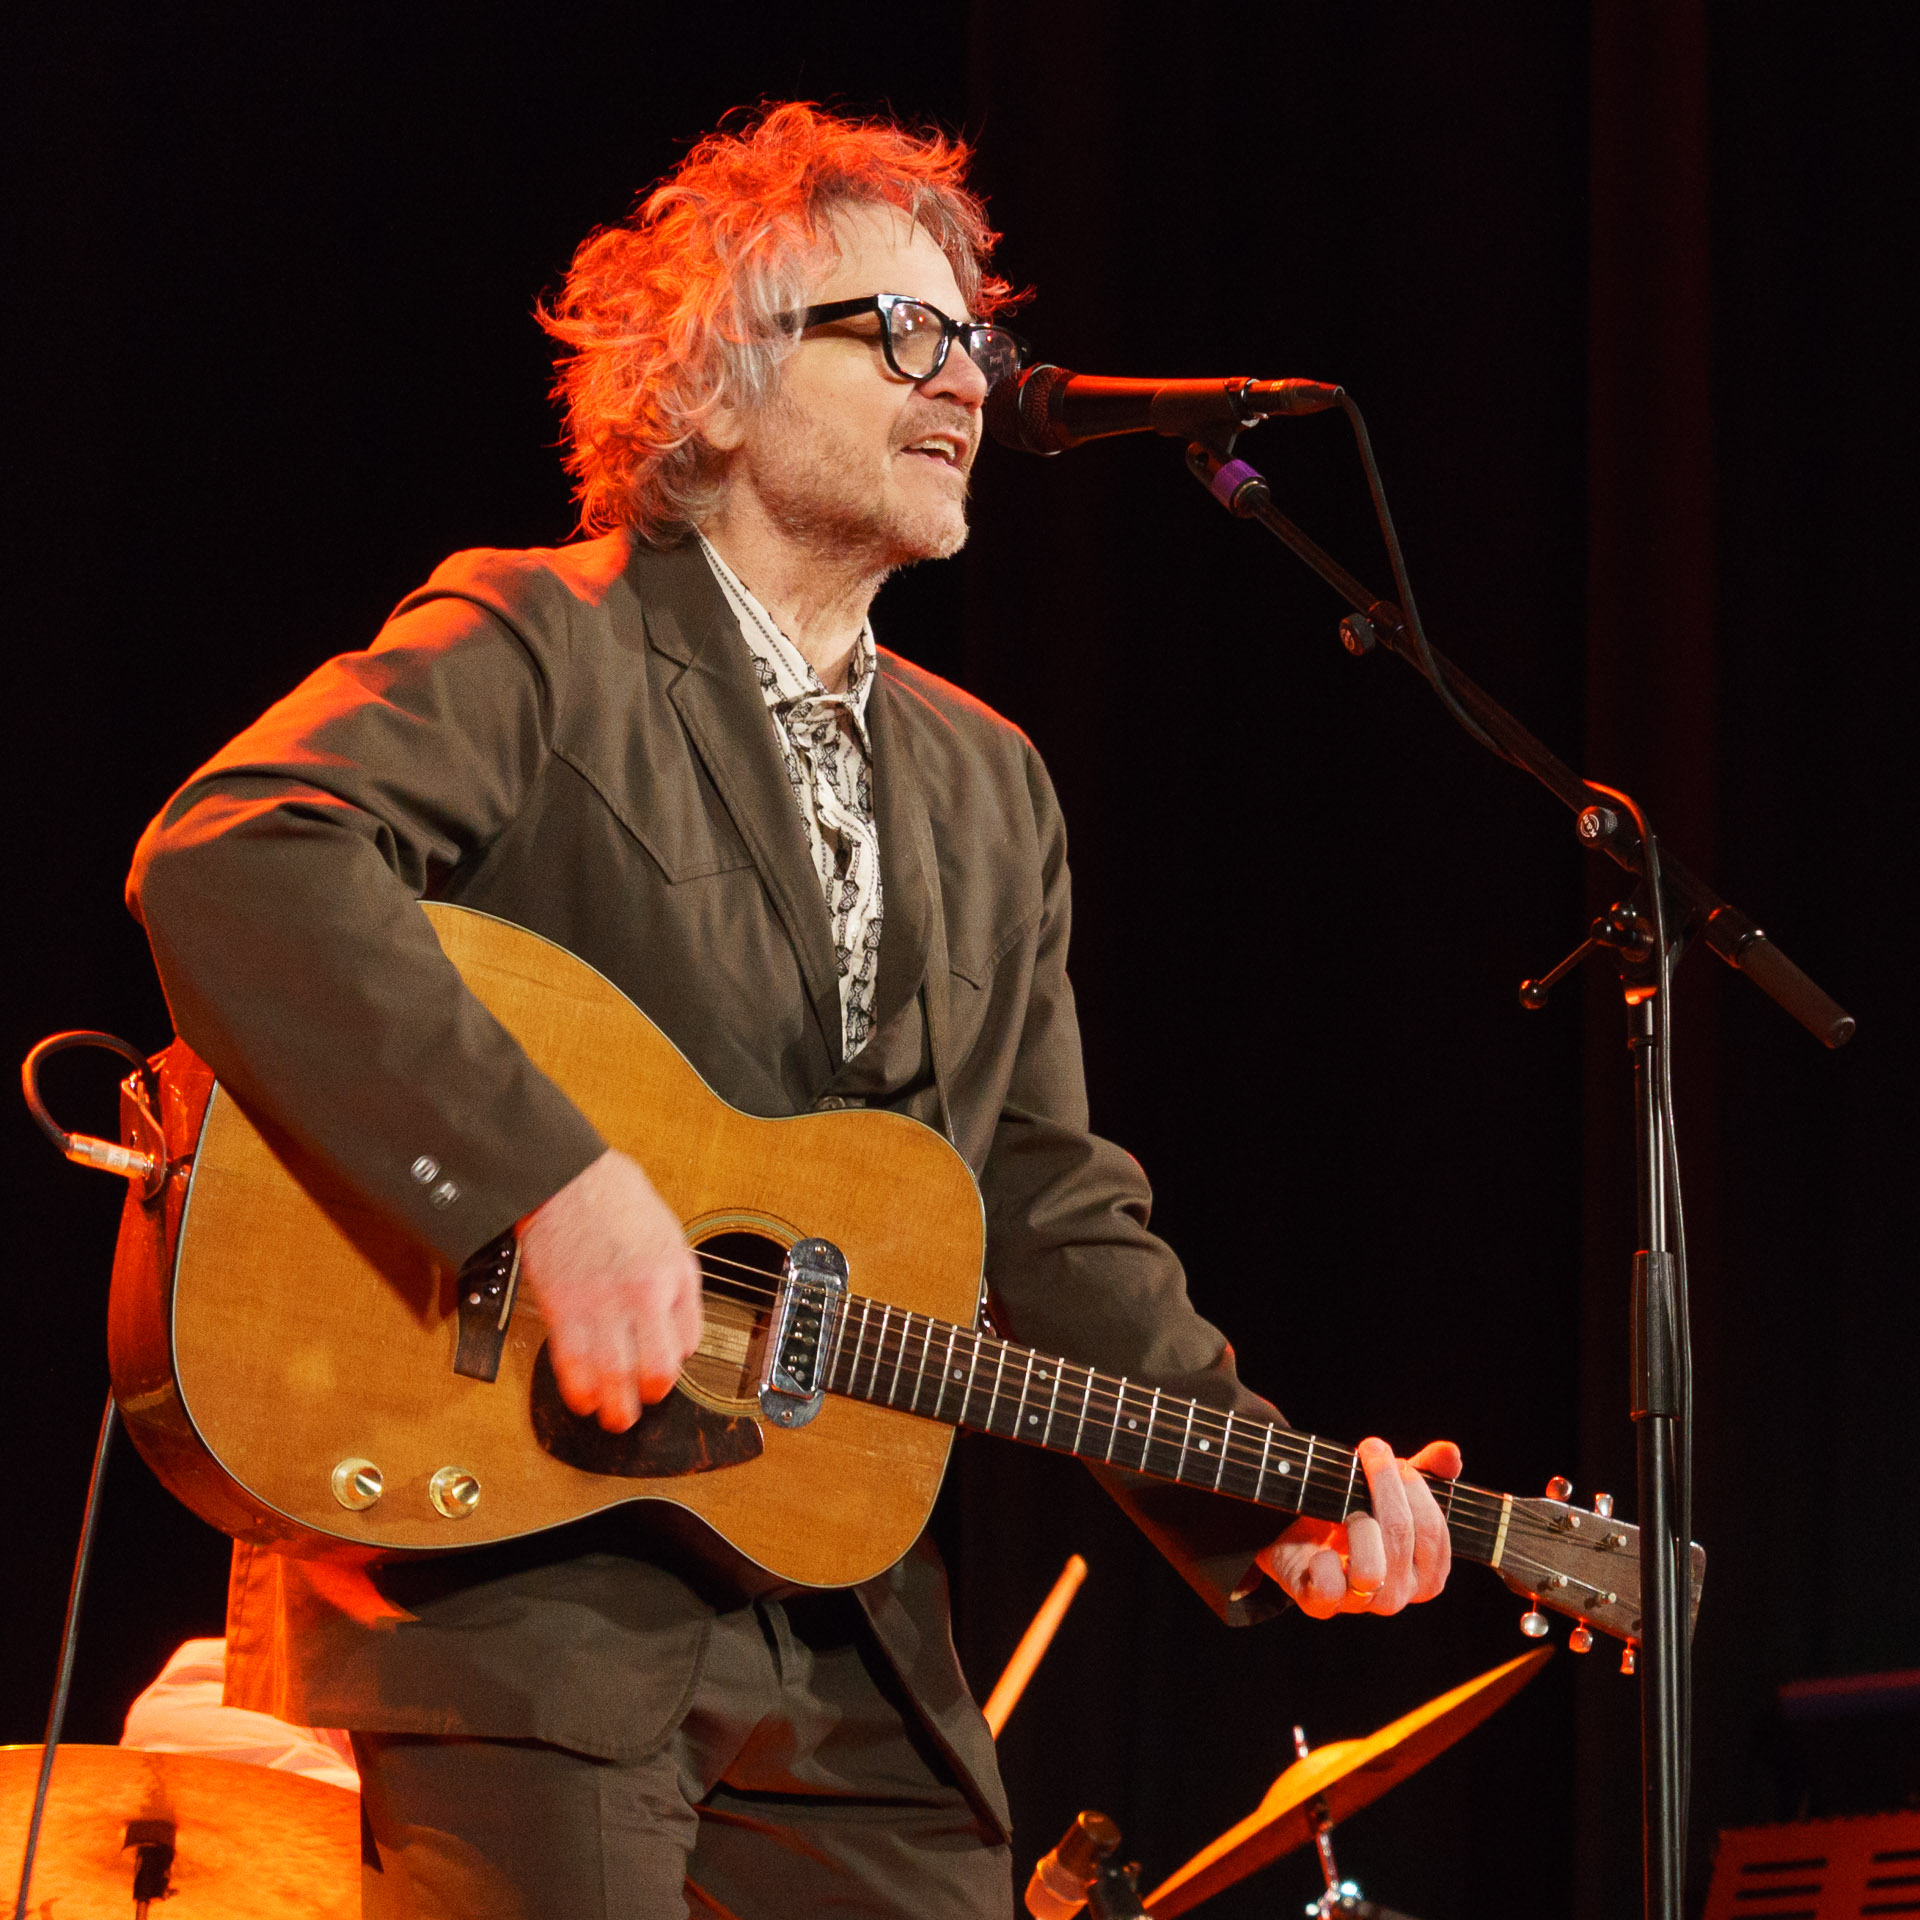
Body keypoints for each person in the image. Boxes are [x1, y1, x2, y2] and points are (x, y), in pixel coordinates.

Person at [129, 103, 1461, 1920]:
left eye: (976, 341)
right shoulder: (545, 641)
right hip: (524, 1589)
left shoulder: (994, 785)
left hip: (844, 1623)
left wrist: (1272, 1495)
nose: (969, 381)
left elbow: (1048, 1212)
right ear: (722, 381)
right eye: (901, 334)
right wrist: (548, 1181)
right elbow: (239, 855)